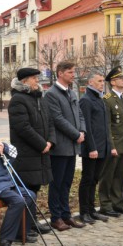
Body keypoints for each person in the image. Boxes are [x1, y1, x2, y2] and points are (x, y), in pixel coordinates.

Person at [8, 67, 54, 234]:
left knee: (34, 188)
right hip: (27, 154)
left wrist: (50, 141)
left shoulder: (39, 98)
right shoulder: (18, 100)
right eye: (34, 78)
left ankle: (32, 222)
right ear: (24, 81)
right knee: (26, 190)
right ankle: (23, 227)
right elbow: (23, 128)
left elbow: (49, 122)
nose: (37, 81)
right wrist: (42, 144)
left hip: (40, 152)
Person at [43, 61, 87, 231]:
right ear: (60, 73)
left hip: (73, 146)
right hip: (60, 147)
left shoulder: (72, 92)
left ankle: (66, 215)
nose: (73, 75)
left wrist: (82, 130)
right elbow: (57, 119)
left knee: (67, 182)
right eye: (70, 72)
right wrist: (76, 134)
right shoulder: (51, 94)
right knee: (57, 183)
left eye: (73, 71)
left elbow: (80, 114)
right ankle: (56, 217)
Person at [98, 67, 123, 216]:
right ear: (113, 82)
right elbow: (107, 126)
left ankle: (117, 202)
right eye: (121, 78)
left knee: (121, 175)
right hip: (114, 144)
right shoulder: (107, 100)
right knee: (108, 176)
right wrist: (111, 146)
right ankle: (105, 205)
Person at [78, 71, 112, 224]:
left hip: (102, 147)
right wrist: (91, 147)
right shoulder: (86, 100)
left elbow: (105, 126)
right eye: (99, 81)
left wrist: (108, 146)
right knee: (87, 180)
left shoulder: (100, 99)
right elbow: (87, 127)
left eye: (103, 81)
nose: (102, 83)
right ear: (90, 82)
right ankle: (84, 211)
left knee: (95, 180)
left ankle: (92, 210)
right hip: (91, 149)